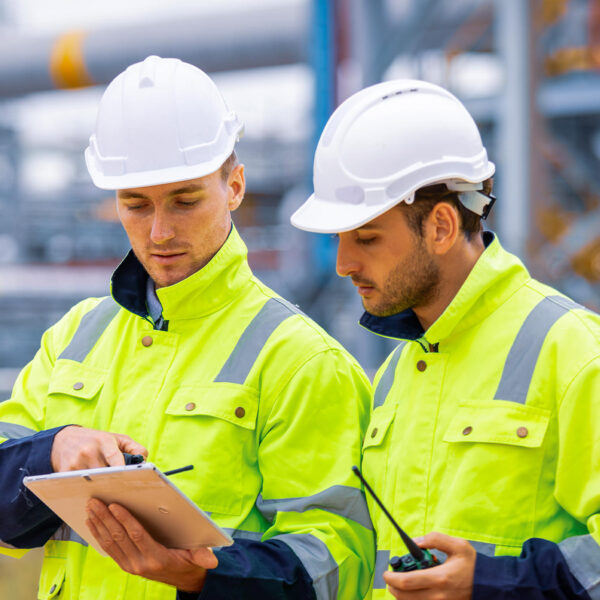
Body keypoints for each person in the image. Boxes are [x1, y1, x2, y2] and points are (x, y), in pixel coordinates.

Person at [0, 56, 375, 600]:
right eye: (135, 205)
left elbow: (337, 564)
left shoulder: (302, 361)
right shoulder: (76, 335)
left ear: (236, 187)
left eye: (185, 200)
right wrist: (53, 451)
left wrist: (203, 575)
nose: (159, 231)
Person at [291, 79, 600, 599]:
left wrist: (492, 584)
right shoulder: (395, 376)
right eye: (338, 240)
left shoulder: (572, 353)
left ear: (440, 226)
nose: (344, 265)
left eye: (366, 238)